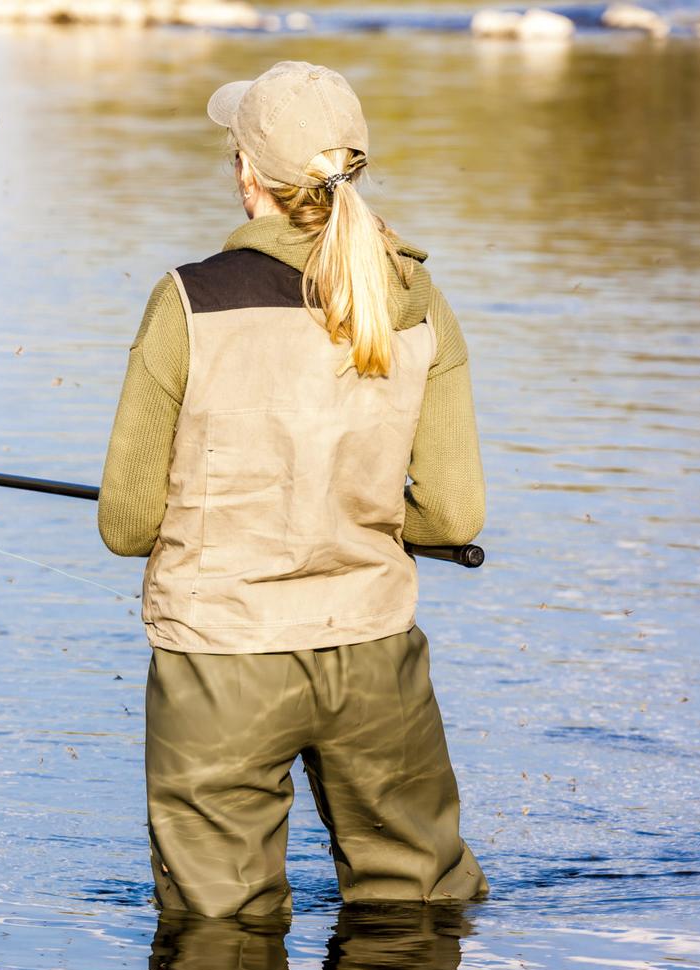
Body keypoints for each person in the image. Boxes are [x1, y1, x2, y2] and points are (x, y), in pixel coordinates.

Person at [98, 61, 490, 918]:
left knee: (219, 932)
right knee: (418, 909)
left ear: (248, 173)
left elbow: (128, 524)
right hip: (376, 655)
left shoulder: (190, 303)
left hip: (220, 662)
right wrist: (364, 514)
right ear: (355, 168)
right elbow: (454, 515)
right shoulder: (418, 302)